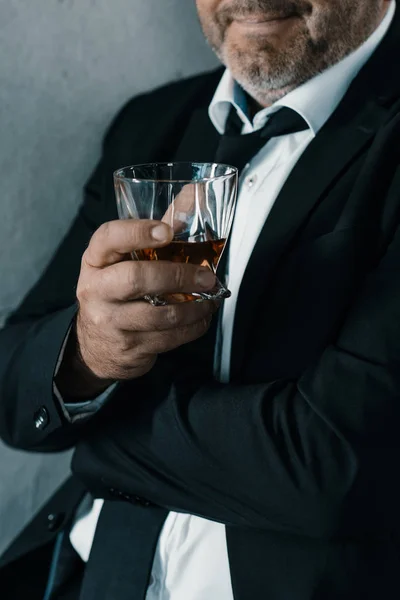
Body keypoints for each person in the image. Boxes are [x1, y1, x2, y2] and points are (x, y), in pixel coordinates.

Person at [1, 0, 400, 597]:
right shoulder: (150, 123)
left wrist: (100, 437)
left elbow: (334, 467)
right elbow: (14, 391)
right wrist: (88, 352)